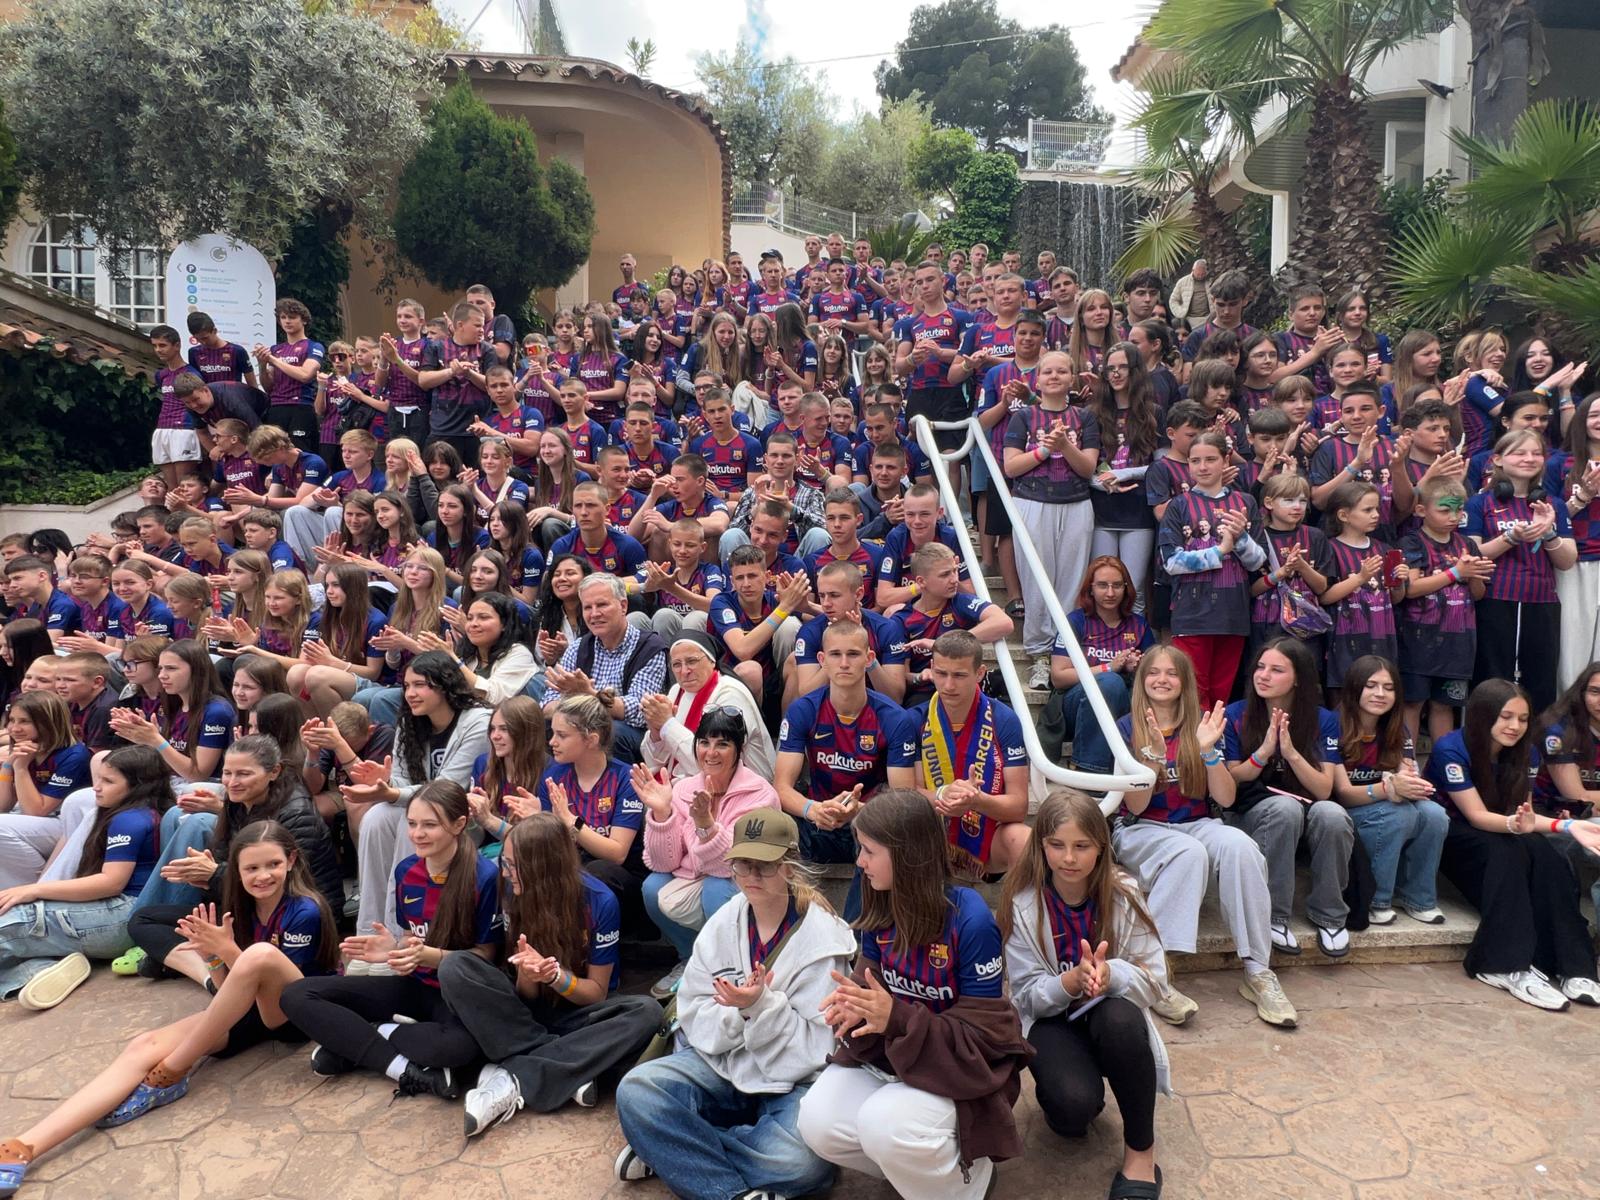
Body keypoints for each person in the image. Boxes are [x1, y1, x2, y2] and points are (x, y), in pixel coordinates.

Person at [0, 818, 338, 1191]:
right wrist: (213, 955)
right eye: (252, 868)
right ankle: (23, 1147)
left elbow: (277, 1014)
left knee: (259, 955)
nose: (263, 876)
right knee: (143, 1045)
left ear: (291, 860)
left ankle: (172, 1071)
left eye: (272, 864)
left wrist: (228, 950)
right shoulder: (239, 907)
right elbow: (227, 988)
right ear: (237, 871)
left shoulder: (304, 911)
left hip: (293, 1014)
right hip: (249, 1007)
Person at [797, 789, 1030, 1200]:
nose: (860, 862)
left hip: (961, 1072)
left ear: (907, 855)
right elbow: (870, 984)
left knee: (885, 1125)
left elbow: (985, 1039)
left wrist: (895, 1017)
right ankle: (920, 1174)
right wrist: (853, 1006)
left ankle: (970, 1182)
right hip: (897, 1056)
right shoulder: (881, 900)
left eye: (869, 851)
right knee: (817, 1122)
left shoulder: (971, 919)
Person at [614, 807, 855, 1200]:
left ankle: (676, 1151)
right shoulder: (723, 923)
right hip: (722, 1066)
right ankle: (726, 1185)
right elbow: (693, 1011)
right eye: (743, 865)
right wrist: (741, 1013)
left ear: (789, 866)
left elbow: (815, 1050)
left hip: (790, 1084)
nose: (751, 876)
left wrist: (762, 1007)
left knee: (800, 1163)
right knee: (637, 1090)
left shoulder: (825, 941)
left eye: (765, 865)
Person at [280, 781, 500, 1097]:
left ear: (459, 824)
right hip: (415, 985)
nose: (417, 834)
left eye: (430, 825)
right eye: (412, 823)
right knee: (297, 995)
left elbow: (486, 956)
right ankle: (401, 1067)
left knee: (459, 1049)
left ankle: (369, 1036)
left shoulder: (484, 876)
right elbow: (410, 940)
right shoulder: (406, 871)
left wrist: (429, 956)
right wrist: (394, 950)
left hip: (455, 994)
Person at [443, 813, 660, 1133]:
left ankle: (513, 1076)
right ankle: (563, 1066)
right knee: (455, 967)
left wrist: (556, 977)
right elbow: (524, 998)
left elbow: (596, 993)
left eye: (512, 865)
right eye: (504, 862)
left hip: (577, 1012)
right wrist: (528, 977)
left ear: (542, 865)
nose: (505, 871)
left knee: (647, 1012)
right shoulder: (508, 889)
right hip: (525, 1016)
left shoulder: (599, 900)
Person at [1001, 790, 1168, 1199]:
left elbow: (1157, 982)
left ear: (1101, 847)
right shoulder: (1023, 903)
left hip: (1110, 1014)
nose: (1069, 858)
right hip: (1052, 1021)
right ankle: (1075, 1090)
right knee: (1073, 1109)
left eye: (1082, 846)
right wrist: (1070, 982)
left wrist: (1112, 975)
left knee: (1120, 1021)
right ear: (1041, 846)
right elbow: (1025, 997)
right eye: (1057, 845)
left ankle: (1141, 1155)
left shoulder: (1124, 894)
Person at [1114, 646, 1290, 1027]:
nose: (1162, 680)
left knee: (1241, 847)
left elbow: (1225, 798)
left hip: (1197, 822)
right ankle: (1154, 976)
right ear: (1141, 679)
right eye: (1153, 672)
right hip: (1141, 828)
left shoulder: (1203, 724)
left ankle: (1258, 971)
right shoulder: (1126, 727)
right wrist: (1154, 758)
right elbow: (1136, 806)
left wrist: (1208, 752)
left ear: (1185, 682)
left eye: (1172, 673)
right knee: (1188, 851)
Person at [1422, 679, 1600, 1008]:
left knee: (1546, 855)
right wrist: (1514, 826)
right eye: (1505, 717)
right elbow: (1476, 816)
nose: (1515, 726)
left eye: (1522, 719)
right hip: (1454, 835)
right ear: (1483, 714)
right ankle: (1501, 964)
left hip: (1502, 829)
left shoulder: (1526, 752)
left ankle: (1574, 965)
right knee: (1507, 851)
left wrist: (1568, 825)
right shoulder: (1452, 748)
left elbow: (1525, 817)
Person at [0, 746, 164, 1009]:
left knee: (12, 922)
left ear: (138, 785)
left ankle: (38, 969)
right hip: (124, 918)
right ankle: (37, 971)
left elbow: (111, 883)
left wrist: (33, 890)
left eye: (108, 781)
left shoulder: (130, 819)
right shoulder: (141, 812)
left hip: (120, 917)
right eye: (98, 778)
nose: (96, 787)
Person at [635, 707, 781, 998]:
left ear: (739, 749)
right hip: (695, 876)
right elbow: (663, 863)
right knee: (652, 887)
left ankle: (730, 966)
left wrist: (706, 825)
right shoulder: (683, 788)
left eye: (722, 744)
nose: (711, 753)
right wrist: (663, 814)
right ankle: (690, 958)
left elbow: (731, 865)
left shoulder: (761, 794)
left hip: (746, 880)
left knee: (715, 888)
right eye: (704, 742)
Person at [341, 651, 490, 934]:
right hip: (421, 808)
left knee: (408, 822)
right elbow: (401, 779)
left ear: (445, 685)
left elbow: (450, 788)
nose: (410, 693)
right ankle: (370, 931)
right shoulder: (410, 721)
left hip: (464, 818)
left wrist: (392, 792)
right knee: (376, 818)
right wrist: (385, 783)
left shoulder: (478, 722)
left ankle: (400, 934)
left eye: (420, 685)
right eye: (407, 686)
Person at [1224, 638, 1353, 957]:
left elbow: (1323, 789)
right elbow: (1231, 780)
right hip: (1249, 812)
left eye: (1276, 670)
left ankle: (1329, 916)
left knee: (1333, 814)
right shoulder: (1235, 714)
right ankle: (1272, 915)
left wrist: (1291, 753)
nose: (1263, 675)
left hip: (1306, 809)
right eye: (1260, 667)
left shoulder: (1323, 719)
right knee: (1285, 808)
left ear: (1298, 678)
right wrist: (1264, 752)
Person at [1003, 350, 1100, 689]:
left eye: (1062, 371)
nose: (1055, 376)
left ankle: (1064, 651)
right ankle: (1039, 656)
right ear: (1038, 379)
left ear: (1072, 378)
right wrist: (1045, 450)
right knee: (1036, 579)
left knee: (1072, 580)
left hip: (1076, 503)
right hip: (1032, 502)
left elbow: (1087, 468)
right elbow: (1011, 467)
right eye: (1048, 372)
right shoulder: (1024, 417)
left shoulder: (1084, 418)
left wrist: (1065, 446)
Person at [1464, 428, 1576, 713]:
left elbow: (1567, 560)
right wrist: (1510, 538)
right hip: (1494, 599)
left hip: (1542, 602)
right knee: (1492, 679)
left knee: (1541, 682)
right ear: (1498, 459)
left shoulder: (1553, 505)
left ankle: (1537, 739)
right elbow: (1471, 554)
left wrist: (1548, 533)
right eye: (1519, 452)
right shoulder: (1479, 503)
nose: (1529, 458)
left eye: (1536, 453)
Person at [1332, 656, 1449, 925]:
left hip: (1383, 802)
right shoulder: (1333, 724)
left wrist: (1412, 785)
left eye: (1389, 688)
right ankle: (1375, 900)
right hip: (1341, 811)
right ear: (1354, 687)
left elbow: (1405, 774)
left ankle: (1418, 898)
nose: (1380, 694)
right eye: (1371, 685)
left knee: (1434, 814)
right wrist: (1388, 787)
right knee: (1398, 814)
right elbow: (1341, 793)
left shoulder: (1397, 728)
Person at [907, 631, 1031, 876]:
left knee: (1023, 839)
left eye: (959, 675)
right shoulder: (914, 719)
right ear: (931, 667)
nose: (948, 685)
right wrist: (943, 795)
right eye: (941, 674)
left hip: (988, 834)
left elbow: (1018, 807)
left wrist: (976, 801)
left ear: (980, 673)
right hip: (930, 830)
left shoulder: (1004, 720)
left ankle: (1018, 904)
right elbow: (907, 795)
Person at [1157, 430, 1266, 706]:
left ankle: (1215, 736)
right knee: (1193, 696)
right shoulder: (1178, 505)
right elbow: (1170, 562)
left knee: (1221, 698)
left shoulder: (1245, 502)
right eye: (1195, 461)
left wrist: (1241, 538)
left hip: (1233, 616)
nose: (1202, 467)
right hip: (1191, 616)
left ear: (1225, 460)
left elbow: (1258, 562)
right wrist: (1219, 550)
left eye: (1210, 459)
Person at [544, 573, 667, 761]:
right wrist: (583, 707)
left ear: (623, 606)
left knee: (612, 731)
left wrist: (588, 696)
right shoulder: (578, 647)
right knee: (544, 724)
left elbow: (640, 710)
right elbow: (547, 704)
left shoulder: (650, 647)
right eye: (587, 607)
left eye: (602, 605)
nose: (594, 614)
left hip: (633, 735)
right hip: (581, 724)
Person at [1049, 556, 1155, 776]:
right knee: (1109, 682)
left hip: (1123, 700)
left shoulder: (1138, 624)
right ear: (1090, 588)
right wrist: (1109, 667)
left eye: (1117, 585)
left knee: (1131, 688)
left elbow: (1153, 671)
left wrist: (1136, 667)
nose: (1110, 593)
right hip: (1076, 703)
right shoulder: (1076, 621)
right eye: (1102, 585)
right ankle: (1089, 768)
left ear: (1126, 588)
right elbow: (1058, 677)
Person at [640, 631, 775, 782]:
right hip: (689, 782)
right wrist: (656, 732)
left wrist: (667, 725)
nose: (684, 671)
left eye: (692, 661)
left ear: (712, 661)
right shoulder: (676, 691)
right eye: (676, 664)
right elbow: (653, 761)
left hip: (741, 786)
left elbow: (712, 763)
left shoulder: (730, 695)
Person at [0, 691, 93, 888]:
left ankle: (32, 886)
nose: (14, 728)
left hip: (69, 826)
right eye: (12, 720)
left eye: (24, 721)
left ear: (47, 722)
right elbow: (3, 805)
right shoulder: (27, 748)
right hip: (39, 821)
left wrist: (21, 768)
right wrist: (8, 766)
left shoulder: (75, 755)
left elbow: (37, 810)